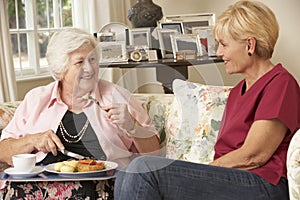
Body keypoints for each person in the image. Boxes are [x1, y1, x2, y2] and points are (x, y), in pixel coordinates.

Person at [114, 1, 300, 200]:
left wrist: (200, 172)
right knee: (127, 171)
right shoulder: (239, 90)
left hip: (261, 185)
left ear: (250, 44)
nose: (219, 52)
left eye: (224, 44)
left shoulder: (280, 83)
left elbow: (254, 155)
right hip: (230, 179)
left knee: (145, 168)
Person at [0, 28, 160, 199]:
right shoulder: (36, 99)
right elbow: (3, 151)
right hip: (36, 185)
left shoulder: (117, 97)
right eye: (80, 62)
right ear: (60, 70)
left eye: (92, 60)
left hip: (99, 185)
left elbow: (155, 154)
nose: (89, 69)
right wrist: (32, 140)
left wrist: (132, 126)